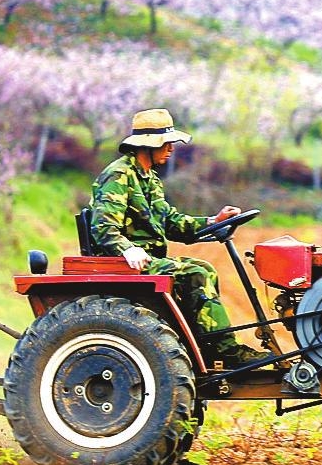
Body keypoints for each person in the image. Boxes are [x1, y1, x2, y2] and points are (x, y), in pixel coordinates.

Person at [90, 108, 266, 366]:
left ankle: (207, 346)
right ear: (148, 145)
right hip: (125, 264)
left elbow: (170, 222)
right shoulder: (119, 175)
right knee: (196, 272)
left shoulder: (149, 178)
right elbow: (103, 226)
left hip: (145, 259)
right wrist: (127, 249)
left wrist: (213, 221)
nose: (171, 148)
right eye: (166, 143)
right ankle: (225, 352)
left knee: (202, 267)